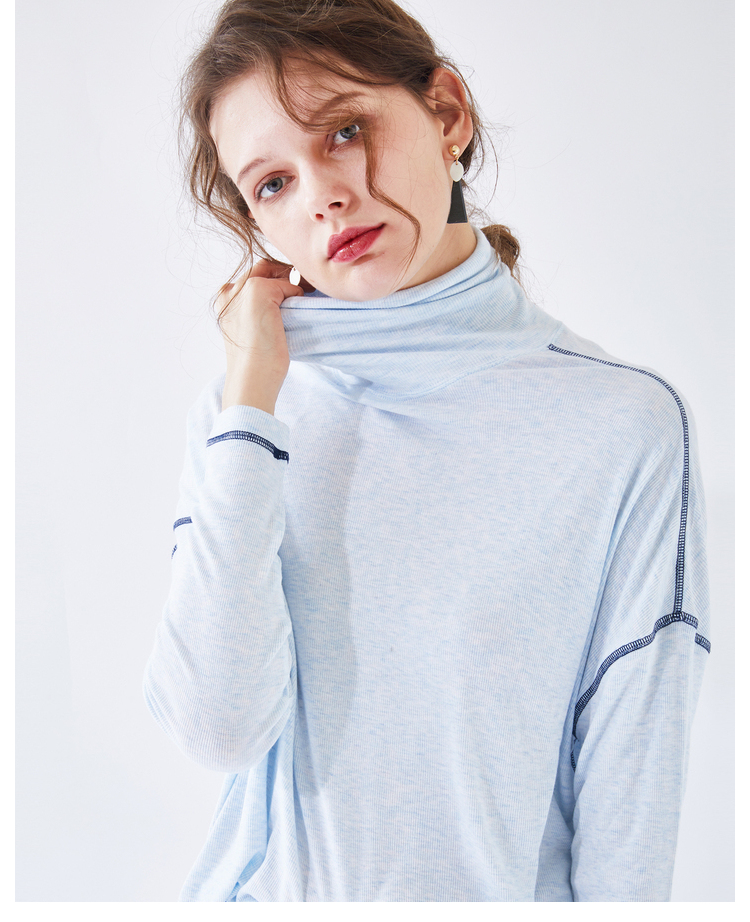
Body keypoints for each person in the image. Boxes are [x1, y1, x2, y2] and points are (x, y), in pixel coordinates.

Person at [143, 0, 711, 902]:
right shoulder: (247, 414)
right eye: (273, 184)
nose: (322, 195)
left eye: (344, 131)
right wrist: (250, 396)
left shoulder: (621, 424)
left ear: (446, 112)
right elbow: (218, 728)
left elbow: (631, 798)